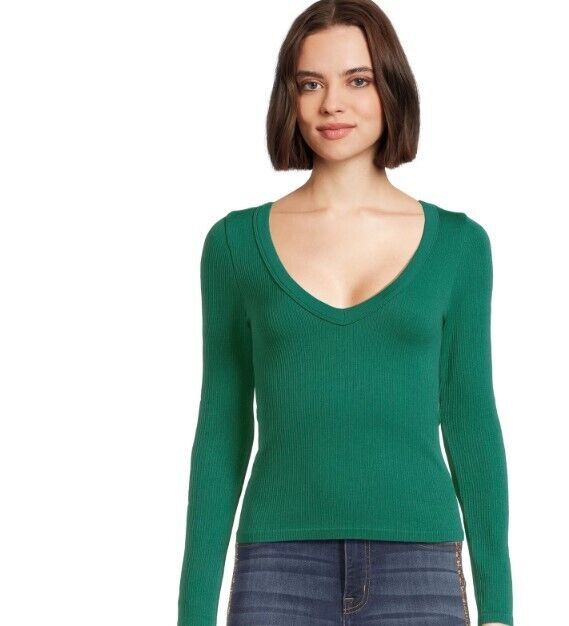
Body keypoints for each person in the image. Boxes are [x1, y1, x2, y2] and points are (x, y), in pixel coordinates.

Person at [177, 1, 514, 625]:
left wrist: (499, 610)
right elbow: (221, 432)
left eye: (358, 80)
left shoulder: (460, 247)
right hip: (277, 572)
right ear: (290, 99)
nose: (333, 104)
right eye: (311, 84)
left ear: (391, 89)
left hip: (419, 573)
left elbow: (473, 426)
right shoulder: (233, 246)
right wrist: (193, 613)